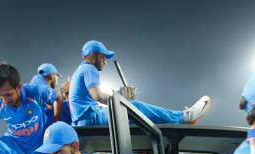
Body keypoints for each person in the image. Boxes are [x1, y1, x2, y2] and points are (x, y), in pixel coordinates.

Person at [69, 40, 211, 126]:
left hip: (85, 118)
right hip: (90, 119)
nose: (105, 61)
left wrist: (119, 95)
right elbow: (97, 95)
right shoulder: (89, 68)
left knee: (133, 116)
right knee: (134, 107)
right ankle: (183, 117)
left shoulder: (81, 70)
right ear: (93, 56)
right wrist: (121, 100)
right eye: (103, 57)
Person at [29, 63, 62, 128]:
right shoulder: (46, 89)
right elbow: (58, 98)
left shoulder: (35, 81)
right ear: (51, 76)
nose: (57, 79)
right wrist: (57, 120)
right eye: (56, 76)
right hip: (43, 124)